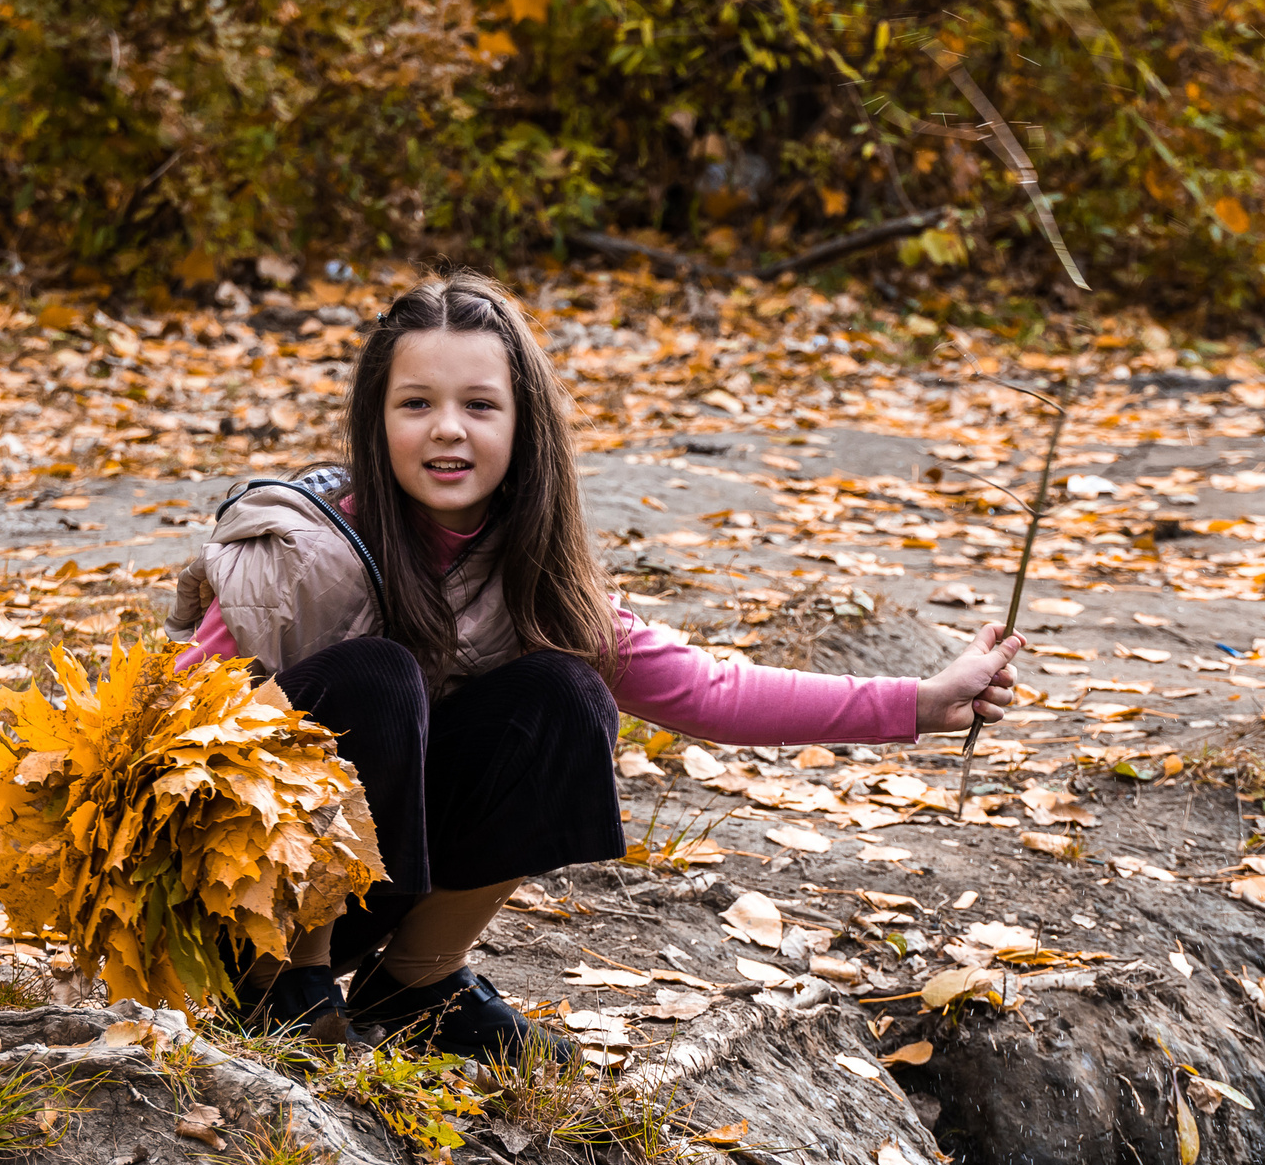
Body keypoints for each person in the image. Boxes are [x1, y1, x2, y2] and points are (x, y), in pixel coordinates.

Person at [166, 268, 1023, 1060]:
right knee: (377, 678)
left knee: (566, 694)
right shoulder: (300, 555)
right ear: (376, 420)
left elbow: (713, 691)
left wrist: (919, 701)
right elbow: (169, 735)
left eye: (480, 404)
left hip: (382, 887)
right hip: (244, 901)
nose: (448, 429)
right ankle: (287, 993)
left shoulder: (525, 578)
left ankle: (418, 983)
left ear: (523, 425)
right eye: (416, 403)